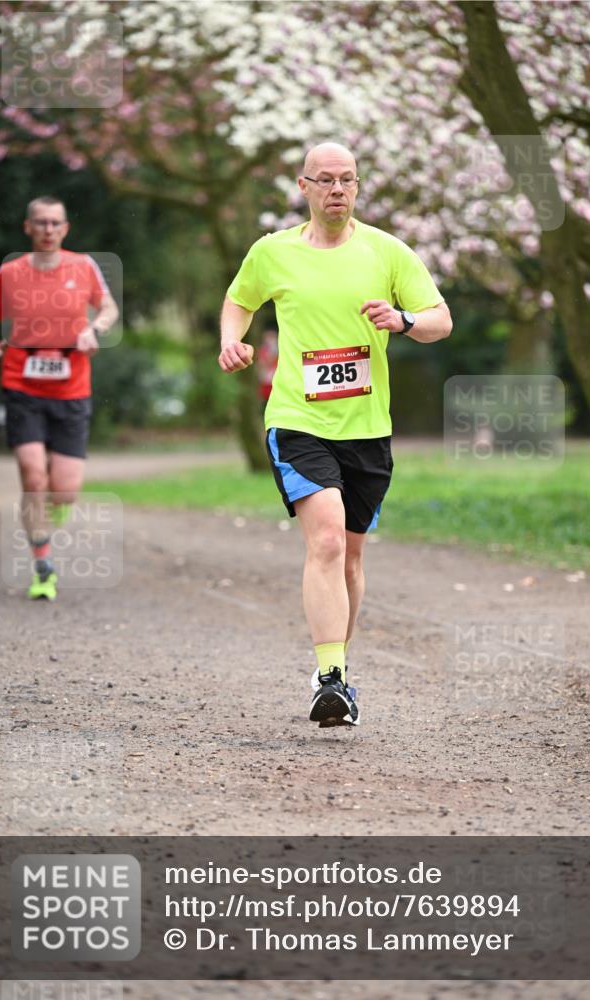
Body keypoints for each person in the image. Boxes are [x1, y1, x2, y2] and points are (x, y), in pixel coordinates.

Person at [218, 142, 452, 727]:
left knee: (349, 556)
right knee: (324, 541)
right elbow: (239, 300)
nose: (337, 189)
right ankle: (332, 680)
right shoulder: (273, 252)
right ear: (303, 187)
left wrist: (403, 320)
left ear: (357, 185)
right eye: (324, 179)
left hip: (368, 428)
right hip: (298, 420)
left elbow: (440, 319)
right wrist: (230, 340)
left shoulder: (387, 252)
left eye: (347, 179)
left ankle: (336, 665)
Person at [0, 195, 118, 601]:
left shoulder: (83, 266)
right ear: (28, 227)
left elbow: (108, 308)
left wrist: (93, 330)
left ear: (65, 228)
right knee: (32, 474)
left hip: (73, 388)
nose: (48, 229)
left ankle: (48, 517)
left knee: (64, 492)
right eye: (41, 222)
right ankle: (43, 565)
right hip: (23, 385)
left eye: (55, 223)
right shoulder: (11, 272)